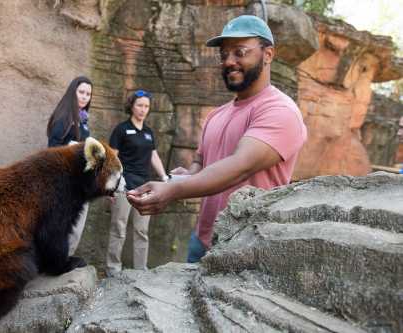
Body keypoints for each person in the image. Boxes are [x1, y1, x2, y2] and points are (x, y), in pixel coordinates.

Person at [127, 15, 308, 263]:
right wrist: (186, 176)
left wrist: (173, 190)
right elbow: (201, 162)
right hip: (201, 241)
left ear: (268, 54)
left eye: (240, 52)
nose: (229, 61)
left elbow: (239, 166)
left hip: (247, 248)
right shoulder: (217, 115)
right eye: (224, 55)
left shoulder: (280, 111)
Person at [106, 90, 169, 276]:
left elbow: (153, 155)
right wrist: (111, 185)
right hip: (124, 185)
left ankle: (140, 270)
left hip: (145, 187)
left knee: (142, 231)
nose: (143, 109)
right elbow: (112, 158)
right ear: (132, 106)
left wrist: (164, 177)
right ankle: (113, 270)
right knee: (119, 228)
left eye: (146, 106)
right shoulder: (121, 129)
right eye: (140, 105)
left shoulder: (149, 133)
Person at [46, 75, 93, 255]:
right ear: (73, 92)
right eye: (81, 92)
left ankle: (66, 259)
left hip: (79, 180)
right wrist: (70, 149)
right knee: (64, 226)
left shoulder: (83, 118)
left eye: (88, 94)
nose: (84, 97)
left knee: (75, 226)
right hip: (63, 181)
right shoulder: (63, 117)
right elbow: (51, 150)